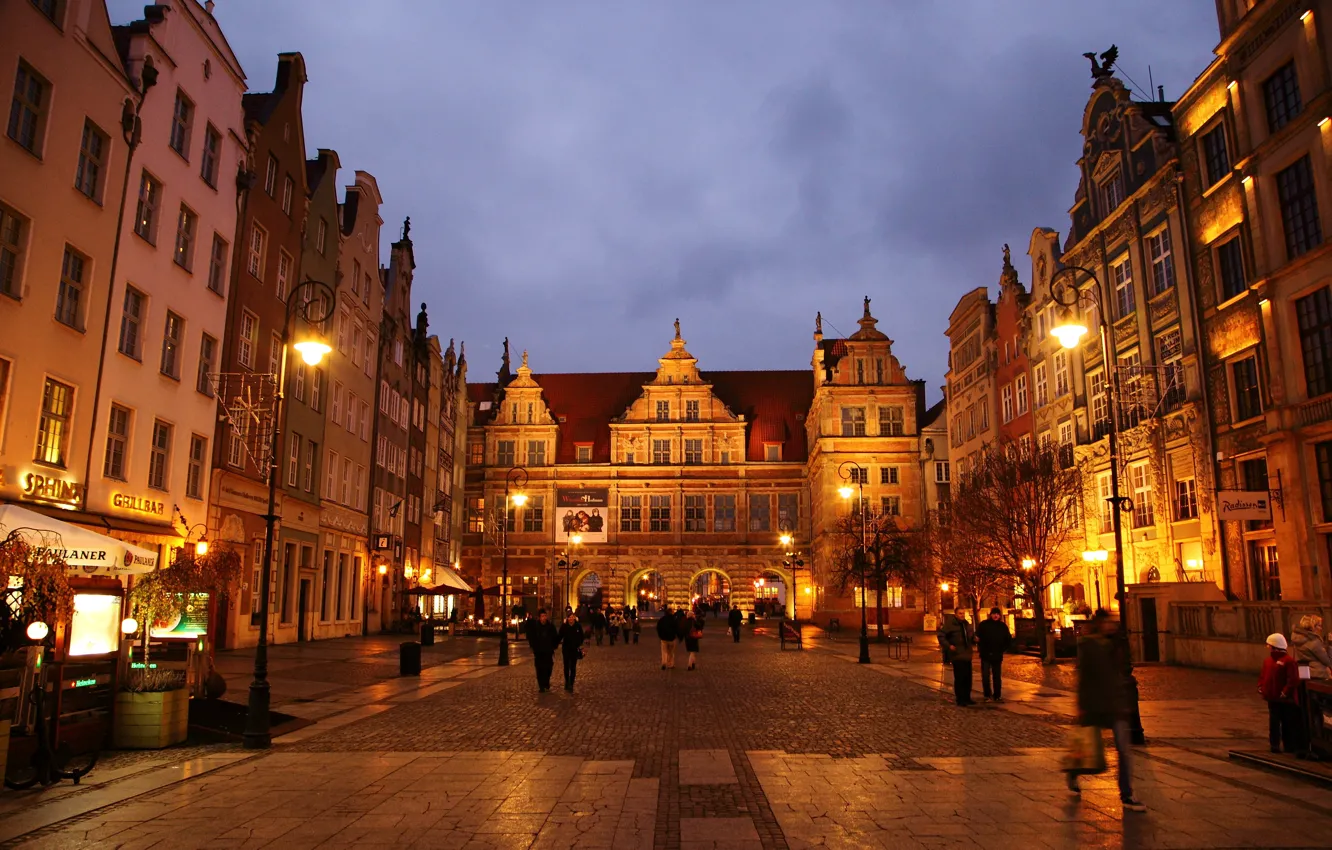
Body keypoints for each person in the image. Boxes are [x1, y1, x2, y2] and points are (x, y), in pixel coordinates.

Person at [1069, 609, 1146, 812]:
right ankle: (1074, 774)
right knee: (1086, 746)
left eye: (1112, 623)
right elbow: (1084, 678)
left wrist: (1124, 701)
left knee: (1123, 750)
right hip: (1095, 704)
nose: (1110, 626)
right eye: (1107, 622)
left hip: (1115, 705)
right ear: (1099, 624)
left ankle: (1127, 793)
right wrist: (1082, 705)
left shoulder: (1115, 645)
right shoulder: (1089, 646)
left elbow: (1120, 672)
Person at [1260, 633, 1302, 754]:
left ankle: (1288, 745)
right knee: (1274, 722)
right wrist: (1261, 686)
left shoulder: (1288, 661)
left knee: (1287, 722)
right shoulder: (1268, 661)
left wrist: (1285, 691)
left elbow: (1292, 679)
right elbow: (1264, 676)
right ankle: (1275, 744)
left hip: (1284, 699)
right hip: (1272, 697)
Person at [937, 608, 974, 706]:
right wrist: (948, 646)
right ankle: (960, 699)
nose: (962, 615)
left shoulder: (966, 624)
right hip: (957, 654)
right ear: (956, 614)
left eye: (963, 613)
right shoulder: (950, 624)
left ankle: (967, 697)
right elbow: (941, 635)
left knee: (968, 678)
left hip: (967, 654)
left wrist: (974, 639)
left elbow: (970, 637)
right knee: (960, 678)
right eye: (960, 613)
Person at [975, 607, 1012, 702]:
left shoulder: (1002, 626)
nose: (996, 616)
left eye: (997, 614)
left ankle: (997, 695)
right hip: (986, 654)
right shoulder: (984, 625)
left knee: (997, 677)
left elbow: (1008, 640)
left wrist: (1002, 650)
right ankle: (987, 695)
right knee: (985, 676)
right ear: (990, 614)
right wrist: (978, 643)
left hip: (997, 655)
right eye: (994, 614)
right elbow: (977, 636)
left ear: (1000, 616)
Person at [525, 608, 561, 693]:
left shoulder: (550, 626)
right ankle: (541, 685)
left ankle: (546, 682)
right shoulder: (536, 627)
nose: (543, 618)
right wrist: (534, 647)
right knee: (540, 669)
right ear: (539, 617)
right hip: (539, 652)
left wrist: (554, 646)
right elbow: (531, 637)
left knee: (548, 668)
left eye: (545, 616)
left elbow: (555, 637)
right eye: (542, 616)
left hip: (548, 651)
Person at [558, 611, 585, 692]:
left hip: (574, 649)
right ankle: (567, 681)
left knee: (573, 667)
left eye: (572, 617)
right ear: (567, 618)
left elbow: (582, 636)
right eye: (569, 617)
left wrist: (580, 644)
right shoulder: (564, 626)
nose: (571, 619)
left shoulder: (578, 626)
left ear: (574, 617)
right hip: (566, 649)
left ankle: (571, 683)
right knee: (566, 667)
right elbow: (560, 636)